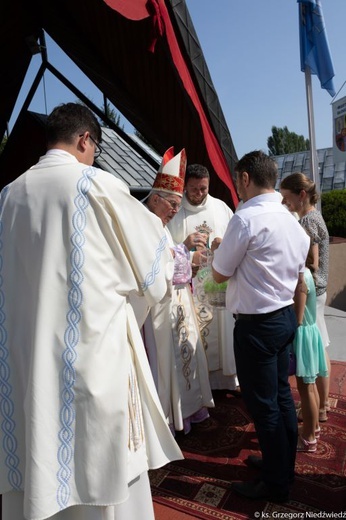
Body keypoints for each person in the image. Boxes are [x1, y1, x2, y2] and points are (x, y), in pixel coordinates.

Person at [0, 103, 183, 520]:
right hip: (89, 361)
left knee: (37, 455)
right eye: (95, 148)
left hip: (25, 361)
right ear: (85, 140)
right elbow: (154, 275)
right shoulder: (96, 185)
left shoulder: (8, 195)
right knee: (99, 478)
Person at [212, 150, 310, 503]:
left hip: (258, 325)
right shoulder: (291, 220)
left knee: (265, 404)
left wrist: (219, 250)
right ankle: (282, 464)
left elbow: (220, 273)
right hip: (283, 316)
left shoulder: (246, 218)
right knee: (281, 397)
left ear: (244, 178)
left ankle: (276, 482)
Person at [141, 147, 214, 435]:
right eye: (171, 204)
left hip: (178, 303)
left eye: (176, 205)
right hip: (160, 309)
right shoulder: (145, 223)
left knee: (185, 355)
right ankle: (171, 416)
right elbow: (154, 266)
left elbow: (167, 254)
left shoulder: (158, 223)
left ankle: (189, 409)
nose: (175, 210)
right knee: (168, 362)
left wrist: (182, 251)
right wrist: (188, 257)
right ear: (156, 199)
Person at [167, 164, 237, 391]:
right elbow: (164, 249)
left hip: (217, 283)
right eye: (194, 189)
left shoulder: (221, 208)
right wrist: (186, 251)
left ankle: (225, 381)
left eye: (203, 189)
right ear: (185, 186)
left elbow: (236, 243)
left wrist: (221, 246)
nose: (199, 194)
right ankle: (197, 382)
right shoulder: (175, 211)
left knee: (222, 331)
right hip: (190, 285)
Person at [280, 173, 331, 423]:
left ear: (301, 195)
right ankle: (319, 406)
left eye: (286, 198)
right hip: (316, 289)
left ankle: (318, 407)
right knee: (319, 349)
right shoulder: (312, 216)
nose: (284, 204)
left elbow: (311, 260)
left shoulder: (308, 221)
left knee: (315, 353)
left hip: (310, 290)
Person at [293, 238, 328, 453]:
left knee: (305, 389)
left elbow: (297, 317)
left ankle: (308, 437)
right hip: (310, 331)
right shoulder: (306, 273)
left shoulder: (301, 279)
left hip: (303, 335)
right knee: (310, 386)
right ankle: (313, 427)